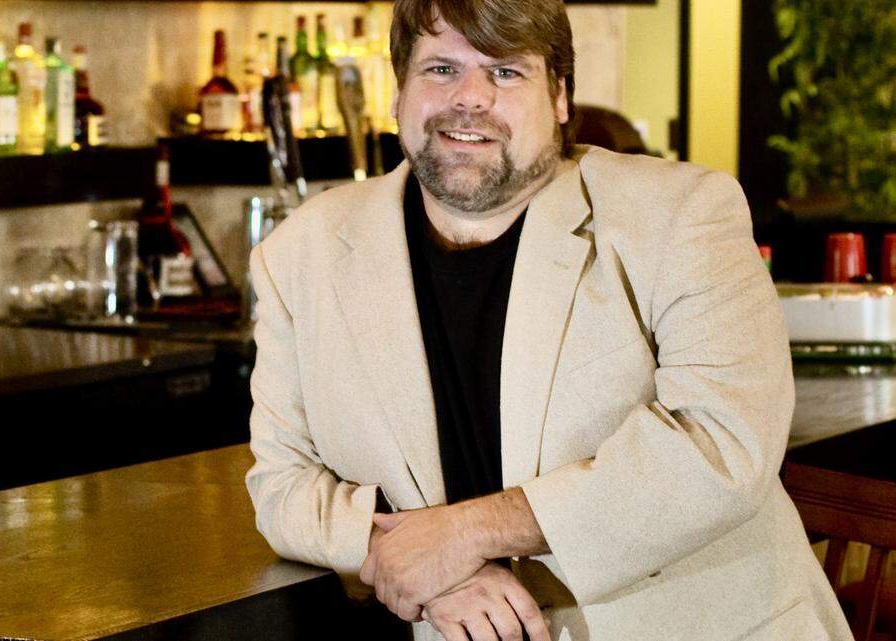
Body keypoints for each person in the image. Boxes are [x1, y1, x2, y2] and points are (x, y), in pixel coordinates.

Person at [244, 0, 854, 639]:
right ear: (399, 93)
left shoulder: (681, 214)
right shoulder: (302, 254)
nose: (470, 98)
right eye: (441, 69)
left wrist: (468, 532)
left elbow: (722, 444)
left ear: (561, 96)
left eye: (505, 72)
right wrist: (423, 563)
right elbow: (282, 485)